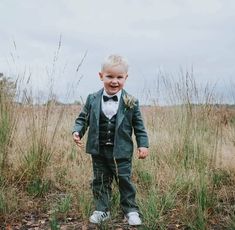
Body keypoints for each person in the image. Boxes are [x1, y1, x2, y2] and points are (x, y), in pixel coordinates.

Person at [72, 54, 149, 226]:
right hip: (98, 150)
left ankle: (131, 210)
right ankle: (102, 210)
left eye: (119, 77)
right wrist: (77, 131)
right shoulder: (92, 98)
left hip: (121, 152)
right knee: (100, 180)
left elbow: (139, 126)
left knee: (124, 181)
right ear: (101, 76)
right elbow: (83, 119)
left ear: (125, 78)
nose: (114, 81)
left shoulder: (131, 101)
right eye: (110, 76)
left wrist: (143, 144)